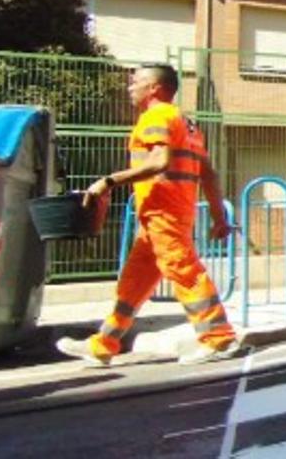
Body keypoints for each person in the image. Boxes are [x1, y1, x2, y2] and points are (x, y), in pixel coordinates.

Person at [56, 63, 241, 367]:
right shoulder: (187, 122)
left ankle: (219, 338)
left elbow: (159, 161)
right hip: (166, 211)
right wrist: (219, 218)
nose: (130, 87)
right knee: (134, 280)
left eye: (136, 82)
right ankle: (105, 343)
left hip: (162, 210)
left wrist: (109, 180)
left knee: (183, 269)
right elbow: (208, 173)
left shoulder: (156, 116)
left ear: (154, 88)